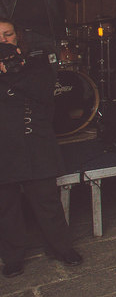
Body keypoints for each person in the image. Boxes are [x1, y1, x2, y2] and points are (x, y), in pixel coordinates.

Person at [0, 18, 82, 277]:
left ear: (17, 36)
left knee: (47, 200)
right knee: (5, 205)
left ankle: (61, 248)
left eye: (7, 34)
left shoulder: (37, 62)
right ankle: (12, 257)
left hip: (34, 141)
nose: (3, 40)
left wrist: (13, 70)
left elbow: (43, 92)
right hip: (3, 146)